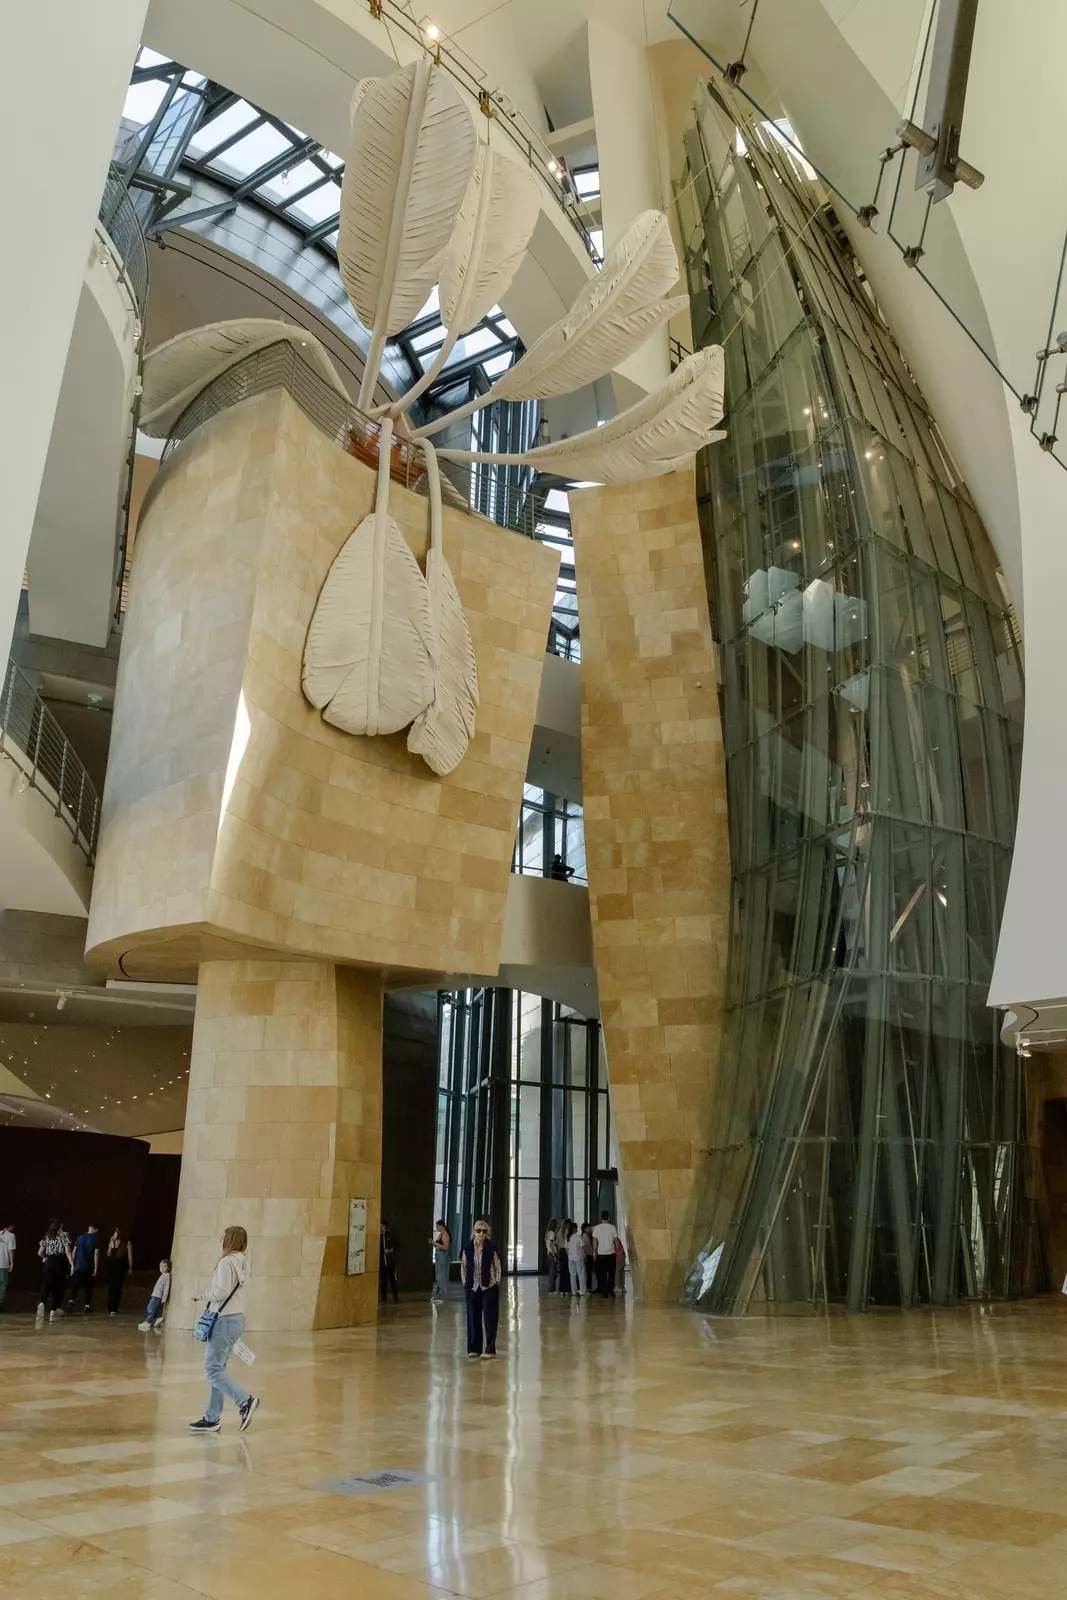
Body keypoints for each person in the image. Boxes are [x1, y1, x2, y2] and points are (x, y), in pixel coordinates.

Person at [189, 1225, 257, 1434]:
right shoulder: (243, 1261)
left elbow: (222, 1291)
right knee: (218, 1369)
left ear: (229, 1240)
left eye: (224, 1237)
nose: (221, 1240)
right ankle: (212, 1418)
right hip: (236, 1319)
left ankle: (245, 1401)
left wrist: (202, 1296)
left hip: (224, 1320)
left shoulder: (226, 1262)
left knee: (212, 1370)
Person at [460, 1219, 501, 1357]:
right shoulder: (467, 1248)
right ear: (474, 1232)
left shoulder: (491, 1248)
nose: (481, 1233)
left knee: (490, 1318)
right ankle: (474, 1348)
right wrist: (466, 1283)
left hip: (488, 1286)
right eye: (479, 1231)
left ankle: (490, 1349)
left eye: (484, 1231)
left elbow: (497, 1266)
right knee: (473, 1317)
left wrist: (496, 1282)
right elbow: (463, 1267)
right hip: (472, 1287)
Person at [38, 1219, 72, 1320]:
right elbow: (68, 1251)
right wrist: (72, 1264)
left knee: (47, 1284)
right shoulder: (64, 1234)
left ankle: (42, 1303)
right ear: (61, 1225)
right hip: (60, 1263)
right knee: (59, 1287)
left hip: (49, 1262)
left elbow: (40, 1252)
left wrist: (46, 1257)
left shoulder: (47, 1235)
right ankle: (54, 1309)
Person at [68, 1224, 100, 1313]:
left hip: (78, 1265)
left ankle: (71, 1299)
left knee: (76, 1285)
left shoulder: (79, 1237)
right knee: (88, 1287)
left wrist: (72, 1265)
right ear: (96, 1229)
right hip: (89, 1266)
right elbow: (96, 1254)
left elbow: (74, 1251)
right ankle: (87, 1305)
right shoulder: (95, 1239)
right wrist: (96, 1268)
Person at [105, 1228, 133, 1315]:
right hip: (118, 1266)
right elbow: (129, 1256)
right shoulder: (126, 1243)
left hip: (115, 1266)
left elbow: (109, 1254)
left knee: (113, 1287)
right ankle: (113, 1308)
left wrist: (111, 1243)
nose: (114, 1235)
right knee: (116, 1287)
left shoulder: (116, 1242)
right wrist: (130, 1267)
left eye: (115, 1233)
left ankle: (111, 1307)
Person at [138, 1258, 172, 1332]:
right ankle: (158, 1317)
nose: (162, 1268)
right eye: (161, 1266)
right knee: (154, 1307)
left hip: (158, 1295)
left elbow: (166, 1288)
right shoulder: (163, 1275)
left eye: (164, 1266)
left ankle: (148, 1321)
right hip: (155, 1294)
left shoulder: (167, 1276)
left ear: (168, 1268)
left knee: (150, 1307)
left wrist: (164, 1298)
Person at [593, 1210, 620, 1298]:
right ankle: (610, 1291)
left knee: (602, 1274)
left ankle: (604, 1292)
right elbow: (616, 1240)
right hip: (611, 1253)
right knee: (611, 1273)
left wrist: (594, 1252)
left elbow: (595, 1241)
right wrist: (617, 1250)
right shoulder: (612, 1227)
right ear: (609, 1217)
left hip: (601, 1254)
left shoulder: (597, 1228)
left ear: (601, 1218)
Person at [429, 1220, 451, 1302]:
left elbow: (445, 1247)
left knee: (441, 1277)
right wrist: (433, 1243)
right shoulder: (441, 1233)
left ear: (441, 1225)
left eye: (437, 1226)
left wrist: (436, 1243)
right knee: (438, 1277)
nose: (437, 1228)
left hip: (442, 1257)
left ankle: (442, 1296)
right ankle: (438, 1295)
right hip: (439, 1256)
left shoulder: (445, 1234)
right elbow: (439, 1245)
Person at [379, 1219, 399, 1302]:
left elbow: (398, 1244)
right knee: (383, 1282)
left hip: (390, 1263)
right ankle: (384, 1298)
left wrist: (391, 1250)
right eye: (380, 1226)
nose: (381, 1228)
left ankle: (396, 1297)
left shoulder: (390, 1235)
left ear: (386, 1227)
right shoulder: (378, 1236)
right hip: (382, 1263)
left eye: (383, 1226)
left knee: (392, 1280)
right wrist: (382, 1251)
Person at [566, 1218, 587, 1296]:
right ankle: (582, 1290)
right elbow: (582, 1249)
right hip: (578, 1257)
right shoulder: (578, 1237)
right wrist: (584, 1257)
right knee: (581, 1274)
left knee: (572, 1274)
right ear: (575, 1229)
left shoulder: (568, 1238)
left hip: (570, 1258)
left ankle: (574, 1291)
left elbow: (567, 1249)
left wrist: (569, 1256)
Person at [0, 1221, 15, 1311]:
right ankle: (0, 1304)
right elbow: (11, 1250)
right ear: (11, 1226)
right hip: (3, 1263)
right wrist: (12, 1262)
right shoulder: (11, 1236)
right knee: (3, 1284)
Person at [557, 1219, 572, 1295]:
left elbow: (557, 1244)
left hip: (561, 1251)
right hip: (567, 1250)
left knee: (562, 1270)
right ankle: (568, 1287)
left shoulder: (559, 1232)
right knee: (568, 1270)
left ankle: (561, 1288)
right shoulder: (568, 1232)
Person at [544, 1218, 560, 1293]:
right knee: (553, 1273)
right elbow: (551, 1245)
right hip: (552, 1253)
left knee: (552, 1272)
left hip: (549, 1253)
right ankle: (551, 1289)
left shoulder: (548, 1233)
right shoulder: (552, 1233)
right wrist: (554, 1255)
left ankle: (552, 1289)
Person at [581, 1221, 596, 1293]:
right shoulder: (584, 1237)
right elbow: (583, 1248)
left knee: (588, 1272)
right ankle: (588, 1287)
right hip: (587, 1256)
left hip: (588, 1255)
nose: (590, 1229)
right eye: (589, 1228)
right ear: (585, 1229)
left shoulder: (587, 1236)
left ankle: (588, 1287)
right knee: (588, 1272)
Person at [614, 1230, 627, 1297]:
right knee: (621, 1271)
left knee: (617, 1271)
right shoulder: (617, 1238)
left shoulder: (614, 1239)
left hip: (618, 1256)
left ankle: (618, 1286)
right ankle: (622, 1286)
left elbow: (616, 1247)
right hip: (622, 1256)